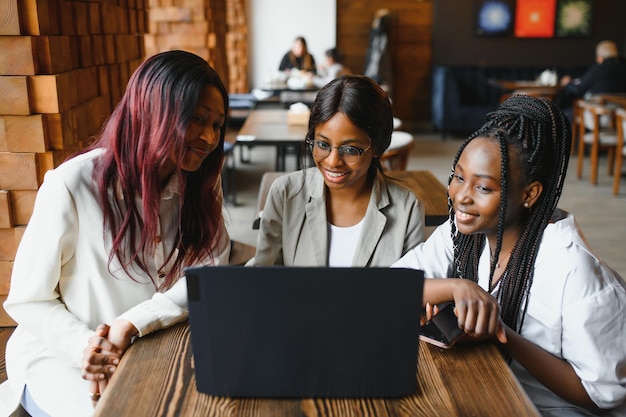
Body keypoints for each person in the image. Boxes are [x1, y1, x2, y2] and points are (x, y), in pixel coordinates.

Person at [0, 50, 231, 416]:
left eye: (217, 124)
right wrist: (89, 348)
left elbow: (208, 273)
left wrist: (131, 323)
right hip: (61, 354)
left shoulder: (202, 184)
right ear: (153, 110)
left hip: (148, 344)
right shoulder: (72, 184)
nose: (209, 136)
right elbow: (29, 300)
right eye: (196, 119)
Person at [393, 94, 626, 416]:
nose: (461, 196)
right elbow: (390, 285)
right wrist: (458, 288)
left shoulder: (574, 271)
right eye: (459, 177)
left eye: (484, 188)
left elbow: (600, 394)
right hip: (489, 388)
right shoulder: (464, 232)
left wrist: (502, 333)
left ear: (530, 194)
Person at [250, 75, 425, 267]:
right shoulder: (284, 193)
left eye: (350, 149)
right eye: (323, 144)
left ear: (376, 147)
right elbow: (263, 279)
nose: (333, 162)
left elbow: (408, 290)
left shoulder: (407, 208)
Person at [557, 40, 626, 119]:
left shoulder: (599, 68)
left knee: (562, 116)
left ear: (600, 57)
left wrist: (568, 83)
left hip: (597, 117)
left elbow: (579, 89)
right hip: (620, 119)